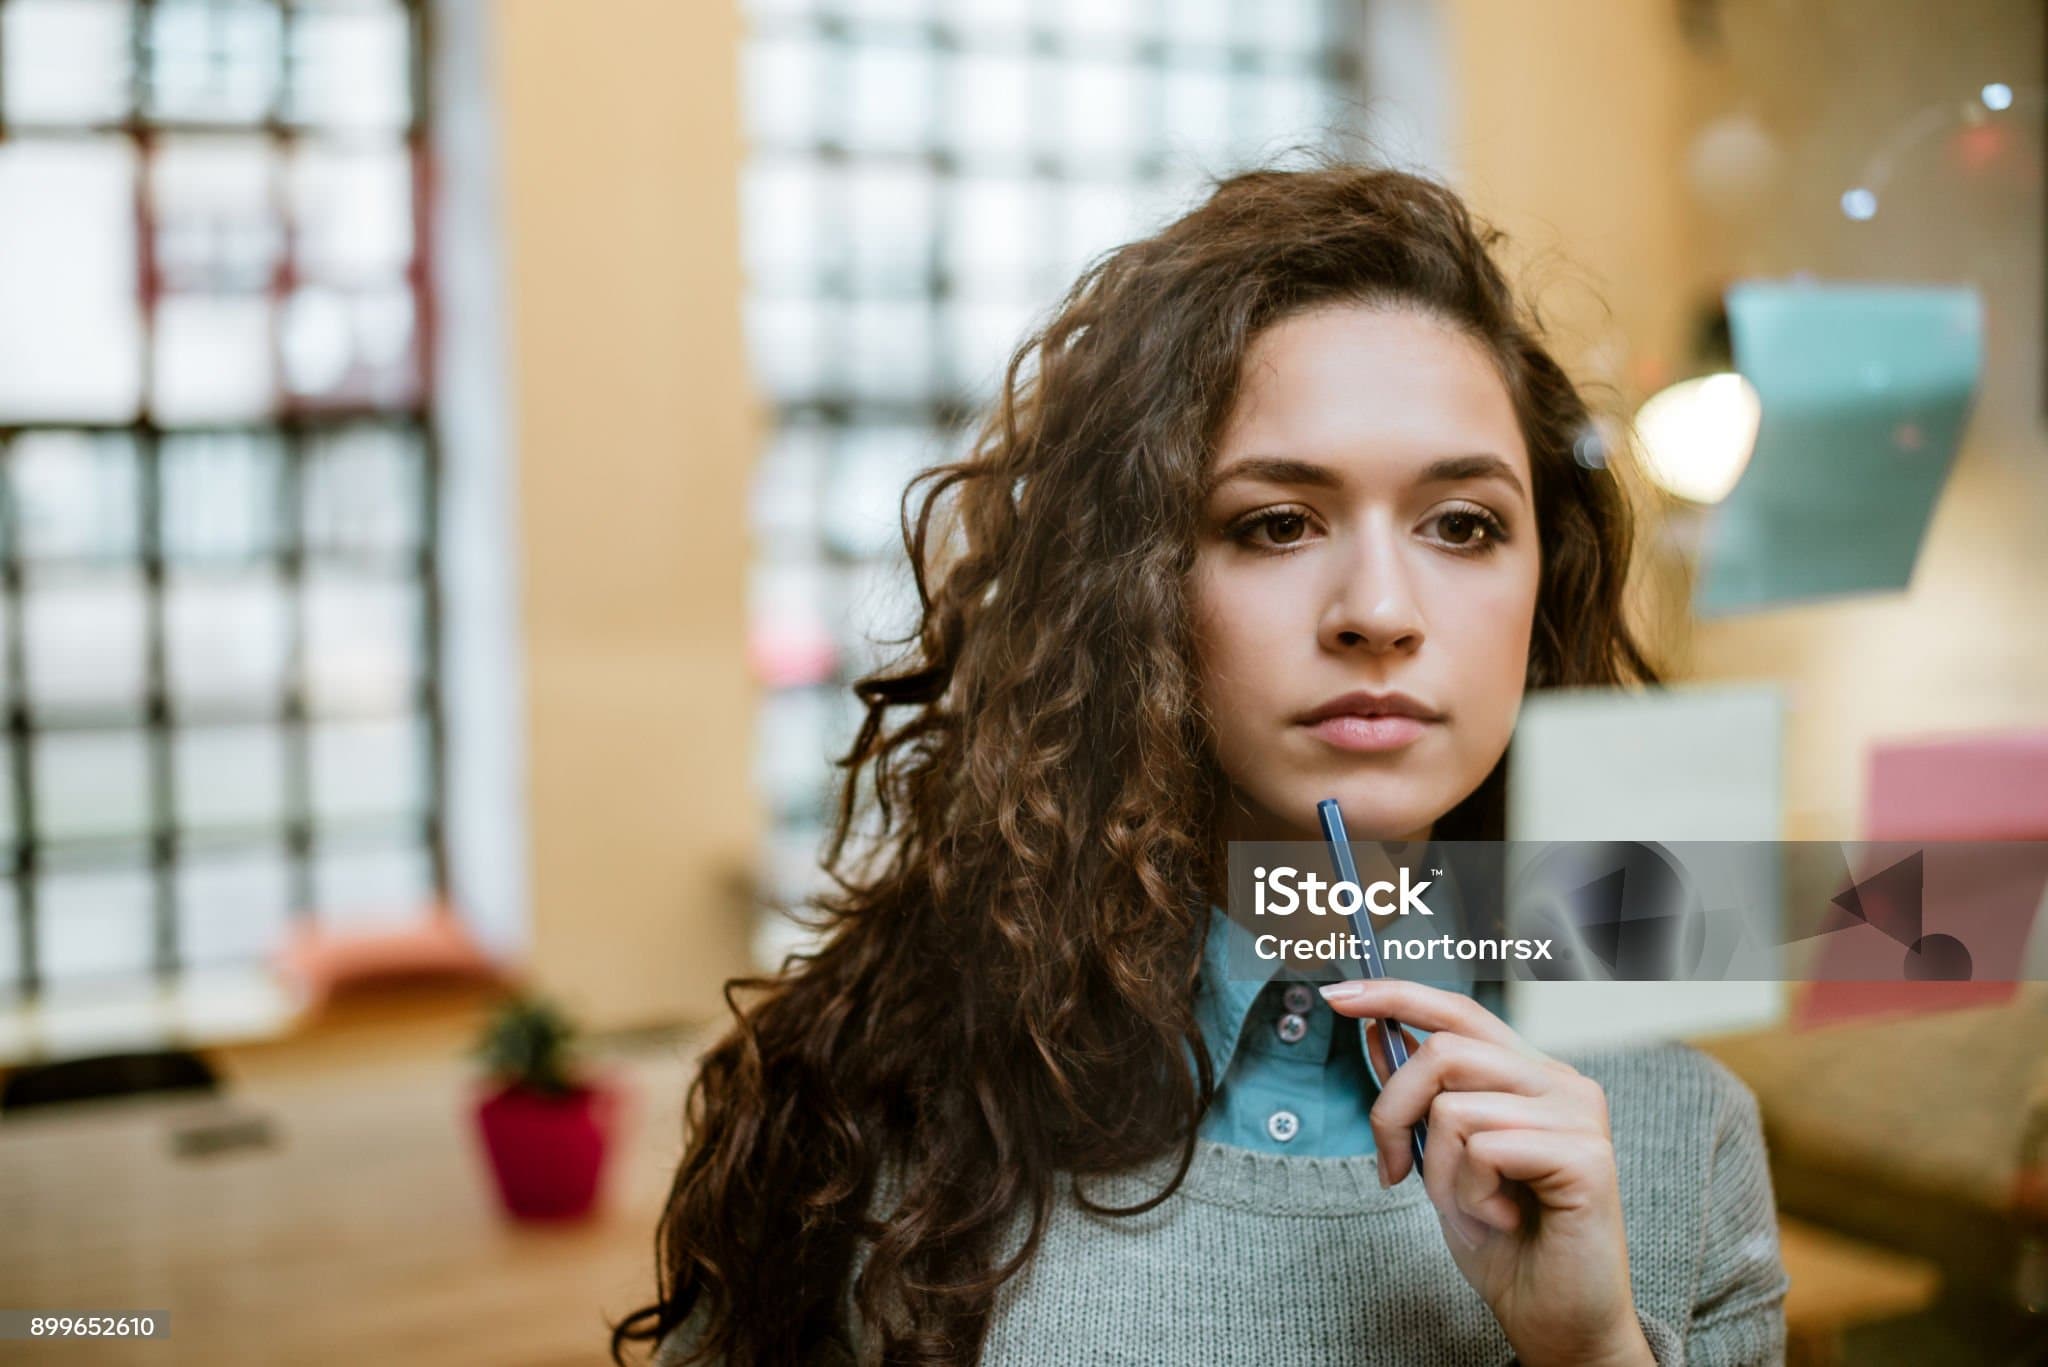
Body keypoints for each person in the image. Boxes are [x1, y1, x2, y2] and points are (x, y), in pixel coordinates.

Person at [614, 162, 1790, 1367]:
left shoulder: (1674, 1137)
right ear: (1131, 591)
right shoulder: (877, 1107)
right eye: (1274, 523)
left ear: (1542, 588)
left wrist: (1591, 1346)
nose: (1378, 609)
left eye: (1461, 524)